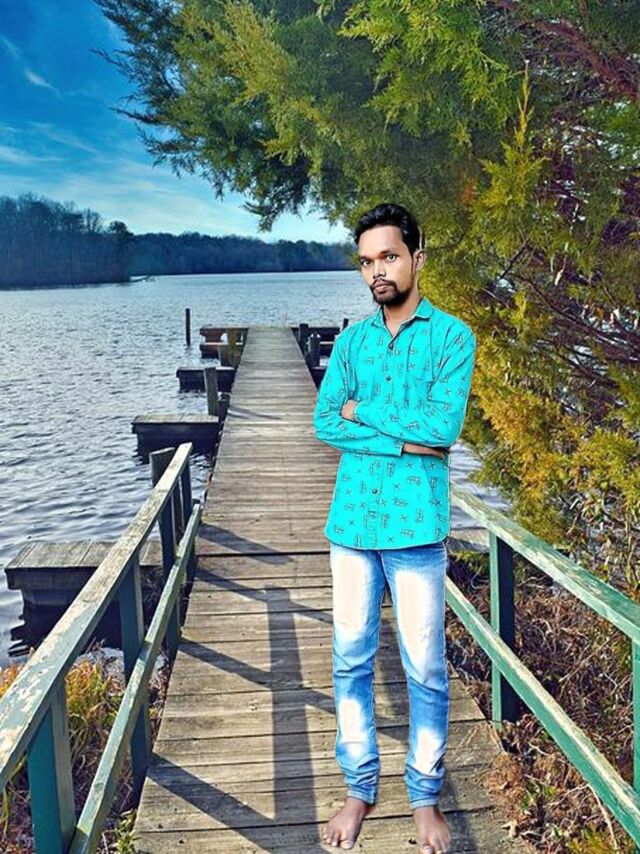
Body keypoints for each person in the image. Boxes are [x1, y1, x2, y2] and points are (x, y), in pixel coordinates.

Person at [313, 202, 477, 853]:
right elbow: (326, 421)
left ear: (417, 258)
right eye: (366, 261)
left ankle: (424, 797)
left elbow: (443, 428)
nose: (376, 270)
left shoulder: (452, 338)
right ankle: (359, 788)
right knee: (350, 662)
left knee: (425, 669)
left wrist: (365, 413)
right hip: (352, 528)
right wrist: (405, 441)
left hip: (416, 532)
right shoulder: (351, 343)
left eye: (388, 256)